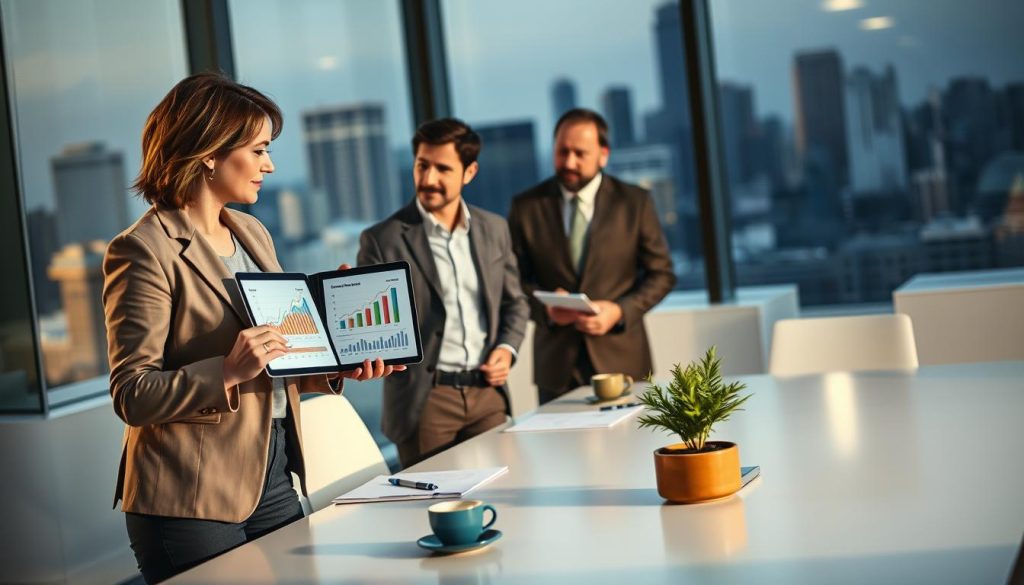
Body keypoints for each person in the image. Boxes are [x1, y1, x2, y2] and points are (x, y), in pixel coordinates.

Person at [102, 73, 400, 584]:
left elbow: (275, 362)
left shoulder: (253, 234)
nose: (270, 165)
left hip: (275, 472)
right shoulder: (142, 250)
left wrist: (335, 367)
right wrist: (227, 370)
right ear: (210, 152)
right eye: (258, 150)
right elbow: (132, 393)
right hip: (190, 495)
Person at [358, 118, 529, 468]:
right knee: (435, 506)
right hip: (425, 400)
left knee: (504, 494)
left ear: (469, 172)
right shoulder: (383, 239)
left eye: (443, 169)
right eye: (422, 165)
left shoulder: (494, 229)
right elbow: (370, 327)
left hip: (488, 394)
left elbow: (515, 303)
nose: (429, 179)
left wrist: (506, 349)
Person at [508, 108, 676, 405]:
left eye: (579, 153)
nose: (569, 162)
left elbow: (662, 274)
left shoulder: (634, 203)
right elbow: (512, 281)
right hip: (556, 367)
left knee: (630, 449)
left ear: (603, 154)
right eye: (562, 152)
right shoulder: (526, 206)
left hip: (623, 362)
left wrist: (619, 312)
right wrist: (546, 309)